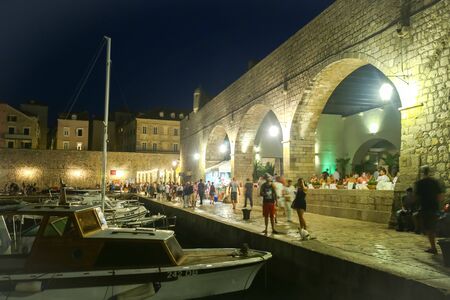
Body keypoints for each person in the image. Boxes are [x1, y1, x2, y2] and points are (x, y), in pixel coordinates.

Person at [414, 166, 445, 254]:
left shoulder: (420, 183)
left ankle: (433, 247)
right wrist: (437, 204)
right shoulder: (435, 182)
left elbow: (417, 197)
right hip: (434, 207)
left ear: (422, 173)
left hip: (425, 208)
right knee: (432, 227)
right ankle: (433, 245)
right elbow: (440, 196)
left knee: (429, 228)